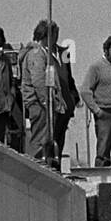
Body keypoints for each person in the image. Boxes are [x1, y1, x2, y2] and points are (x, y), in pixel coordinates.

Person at [20, 20, 79, 163]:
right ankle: (39, 167)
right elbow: (39, 81)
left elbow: (67, 78)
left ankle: (52, 165)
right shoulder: (36, 54)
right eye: (54, 34)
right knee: (41, 141)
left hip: (55, 105)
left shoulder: (57, 53)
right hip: (41, 106)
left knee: (54, 143)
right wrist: (47, 102)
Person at [80, 35, 111, 167]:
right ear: (106, 50)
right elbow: (85, 91)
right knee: (103, 151)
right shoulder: (96, 67)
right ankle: (101, 179)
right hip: (105, 113)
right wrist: (97, 111)